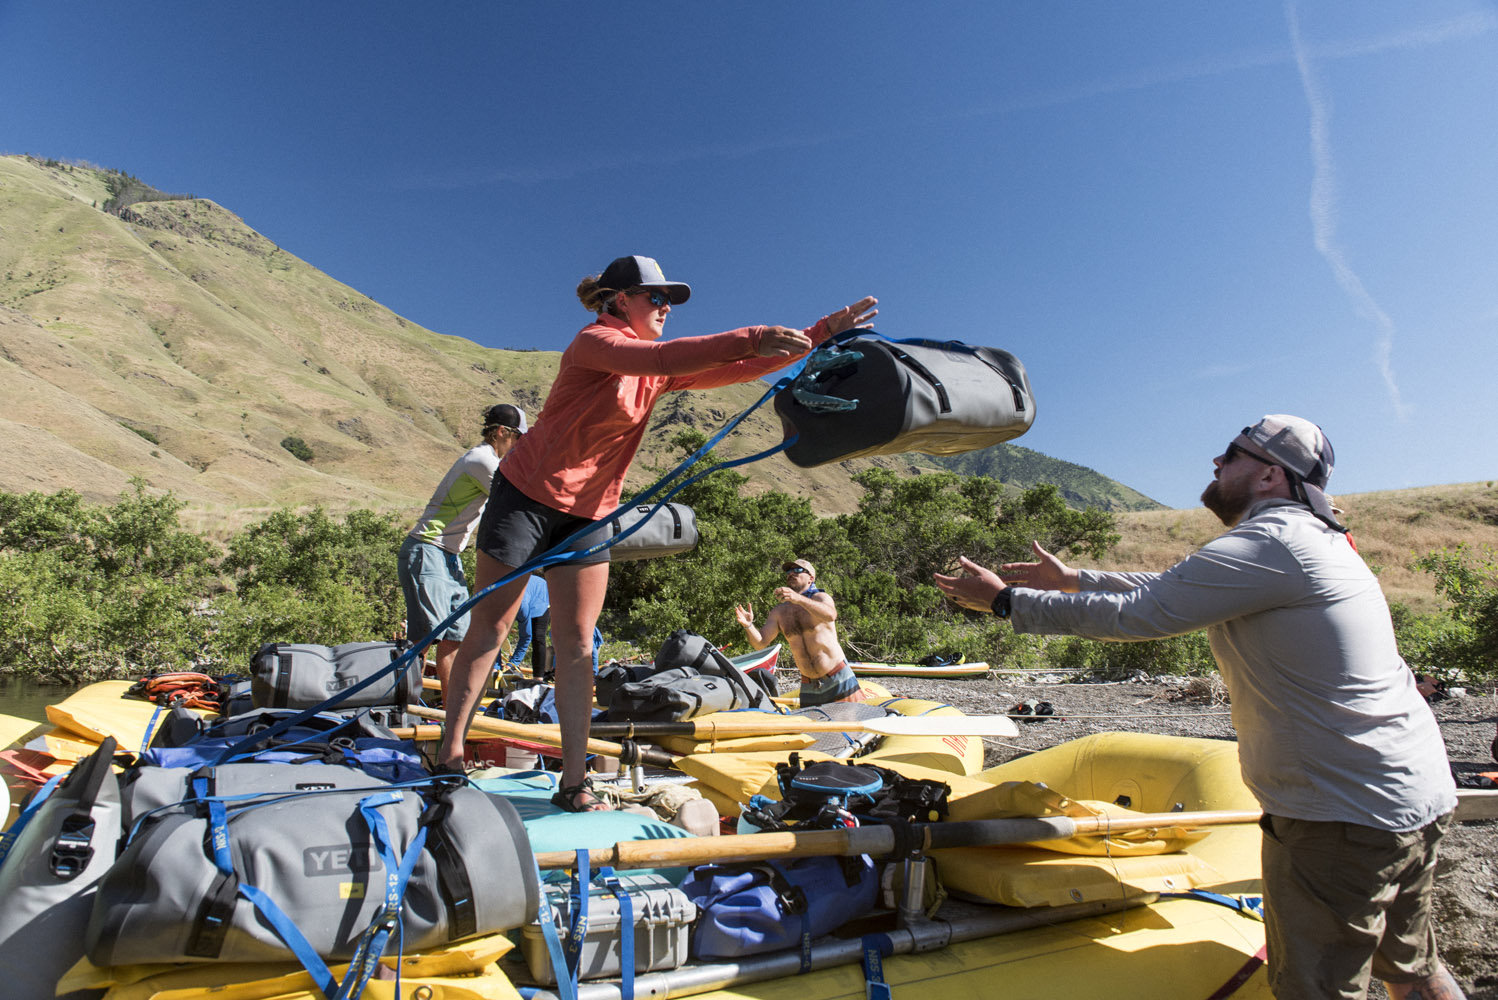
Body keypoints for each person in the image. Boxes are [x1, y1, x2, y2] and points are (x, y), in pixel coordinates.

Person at [934, 414, 1463, 1000]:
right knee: (1409, 966)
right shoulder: (1312, 536)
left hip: (1342, 813)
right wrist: (1074, 579)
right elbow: (1175, 584)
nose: (1216, 462)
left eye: (1232, 453)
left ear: (1270, 474)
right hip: (1411, 793)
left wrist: (1008, 602)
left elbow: (1145, 612)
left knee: (1316, 989)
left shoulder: (1273, 541)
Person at [437, 253, 876, 811]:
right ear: (621, 300)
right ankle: (449, 758)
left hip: (589, 513)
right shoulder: (595, 341)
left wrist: (819, 333)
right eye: (657, 297)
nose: (666, 308)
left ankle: (573, 783)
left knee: (578, 645)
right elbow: (668, 355)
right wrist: (755, 334)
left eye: (670, 300)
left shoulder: (656, 371)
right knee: (491, 629)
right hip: (525, 496)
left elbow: (738, 369)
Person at [398, 403, 526, 692]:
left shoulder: (487, 460)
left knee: (455, 637)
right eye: (518, 438)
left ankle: (449, 709)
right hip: (428, 548)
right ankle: (403, 705)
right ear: (502, 432)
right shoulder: (482, 461)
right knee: (425, 638)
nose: (519, 445)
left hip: (448, 556)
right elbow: (514, 498)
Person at [735, 558, 865, 706]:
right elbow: (760, 643)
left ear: (811, 578)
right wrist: (748, 626)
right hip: (809, 685)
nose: (791, 574)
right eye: (789, 571)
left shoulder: (821, 598)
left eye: (797, 570)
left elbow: (831, 615)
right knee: (810, 722)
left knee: (853, 719)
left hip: (837, 677)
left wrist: (798, 599)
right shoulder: (779, 612)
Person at [504, 573, 602, 679]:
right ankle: (553, 671)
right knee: (552, 648)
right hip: (526, 592)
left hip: (540, 596)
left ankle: (538, 678)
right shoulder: (555, 631)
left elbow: (526, 637)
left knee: (538, 636)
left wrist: (512, 664)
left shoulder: (523, 607)